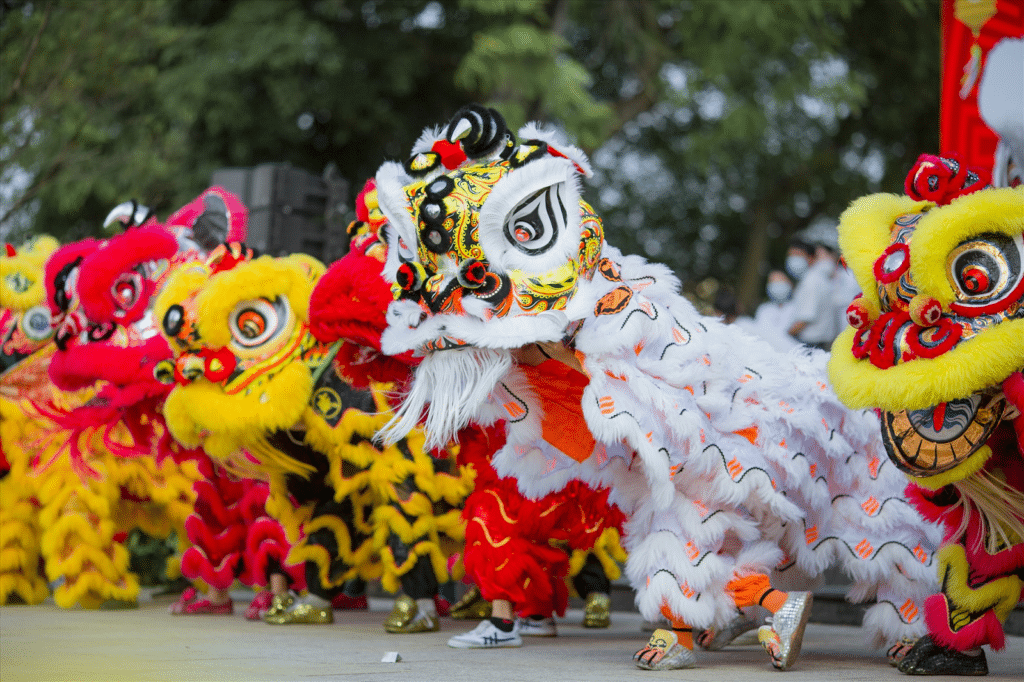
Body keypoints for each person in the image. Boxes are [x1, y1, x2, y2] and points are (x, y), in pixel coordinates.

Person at [786, 238, 838, 350]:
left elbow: (805, 319)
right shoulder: (814, 278)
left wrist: (783, 336)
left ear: (811, 258)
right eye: (790, 255)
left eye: (797, 254)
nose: (793, 259)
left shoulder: (812, 281)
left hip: (811, 344)